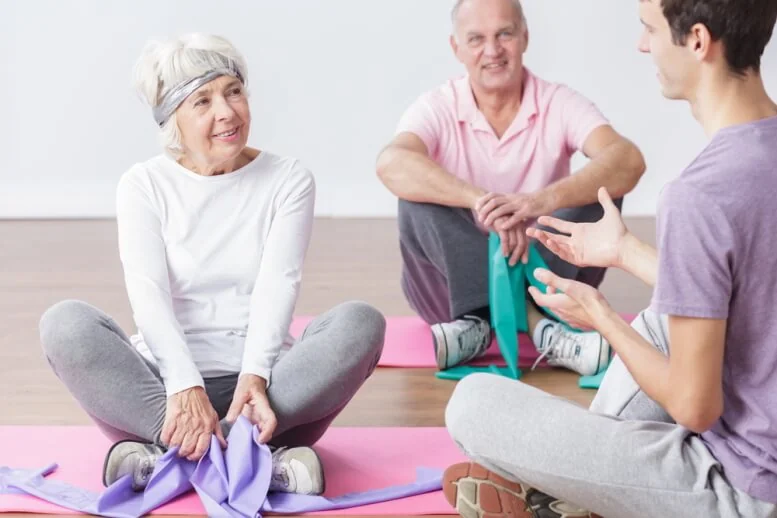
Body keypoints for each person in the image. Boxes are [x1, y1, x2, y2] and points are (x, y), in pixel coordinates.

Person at [442, 0, 777, 516]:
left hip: (742, 489)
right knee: (667, 321)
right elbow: (754, 287)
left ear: (697, 41)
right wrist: (624, 251)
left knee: (471, 404)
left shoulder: (700, 195)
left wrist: (600, 316)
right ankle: (574, 496)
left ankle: (577, 493)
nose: (643, 45)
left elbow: (695, 406)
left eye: (649, 30)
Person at [38, 33, 386, 496]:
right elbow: (149, 294)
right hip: (161, 391)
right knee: (63, 325)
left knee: (361, 323)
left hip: (265, 395)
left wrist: (255, 378)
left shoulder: (288, 179)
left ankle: (169, 458)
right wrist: (183, 388)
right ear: (172, 121)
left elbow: (277, 285)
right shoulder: (143, 184)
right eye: (202, 101)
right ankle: (248, 458)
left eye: (233, 91)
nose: (227, 111)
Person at [376, 0, 645, 377]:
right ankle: (533, 325)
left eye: (504, 34)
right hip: (450, 290)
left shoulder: (558, 102)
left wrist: (536, 203)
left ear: (524, 37)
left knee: (603, 190)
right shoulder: (437, 106)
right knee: (414, 196)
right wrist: (487, 206)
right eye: (476, 39)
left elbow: (627, 160)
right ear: (457, 48)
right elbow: (391, 163)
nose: (492, 51)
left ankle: (492, 323)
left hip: (545, 273)